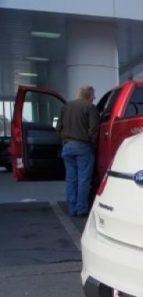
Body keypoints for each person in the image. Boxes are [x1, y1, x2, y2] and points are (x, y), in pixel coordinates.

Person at [56, 85, 100, 217]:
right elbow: (94, 129)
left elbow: (58, 127)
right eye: (94, 95)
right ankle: (81, 209)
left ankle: (72, 208)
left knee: (71, 179)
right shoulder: (90, 107)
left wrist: (63, 141)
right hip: (83, 147)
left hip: (67, 147)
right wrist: (92, 144)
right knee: (83, 179)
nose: (95, 98)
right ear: (89, 96)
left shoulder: (66, 107)